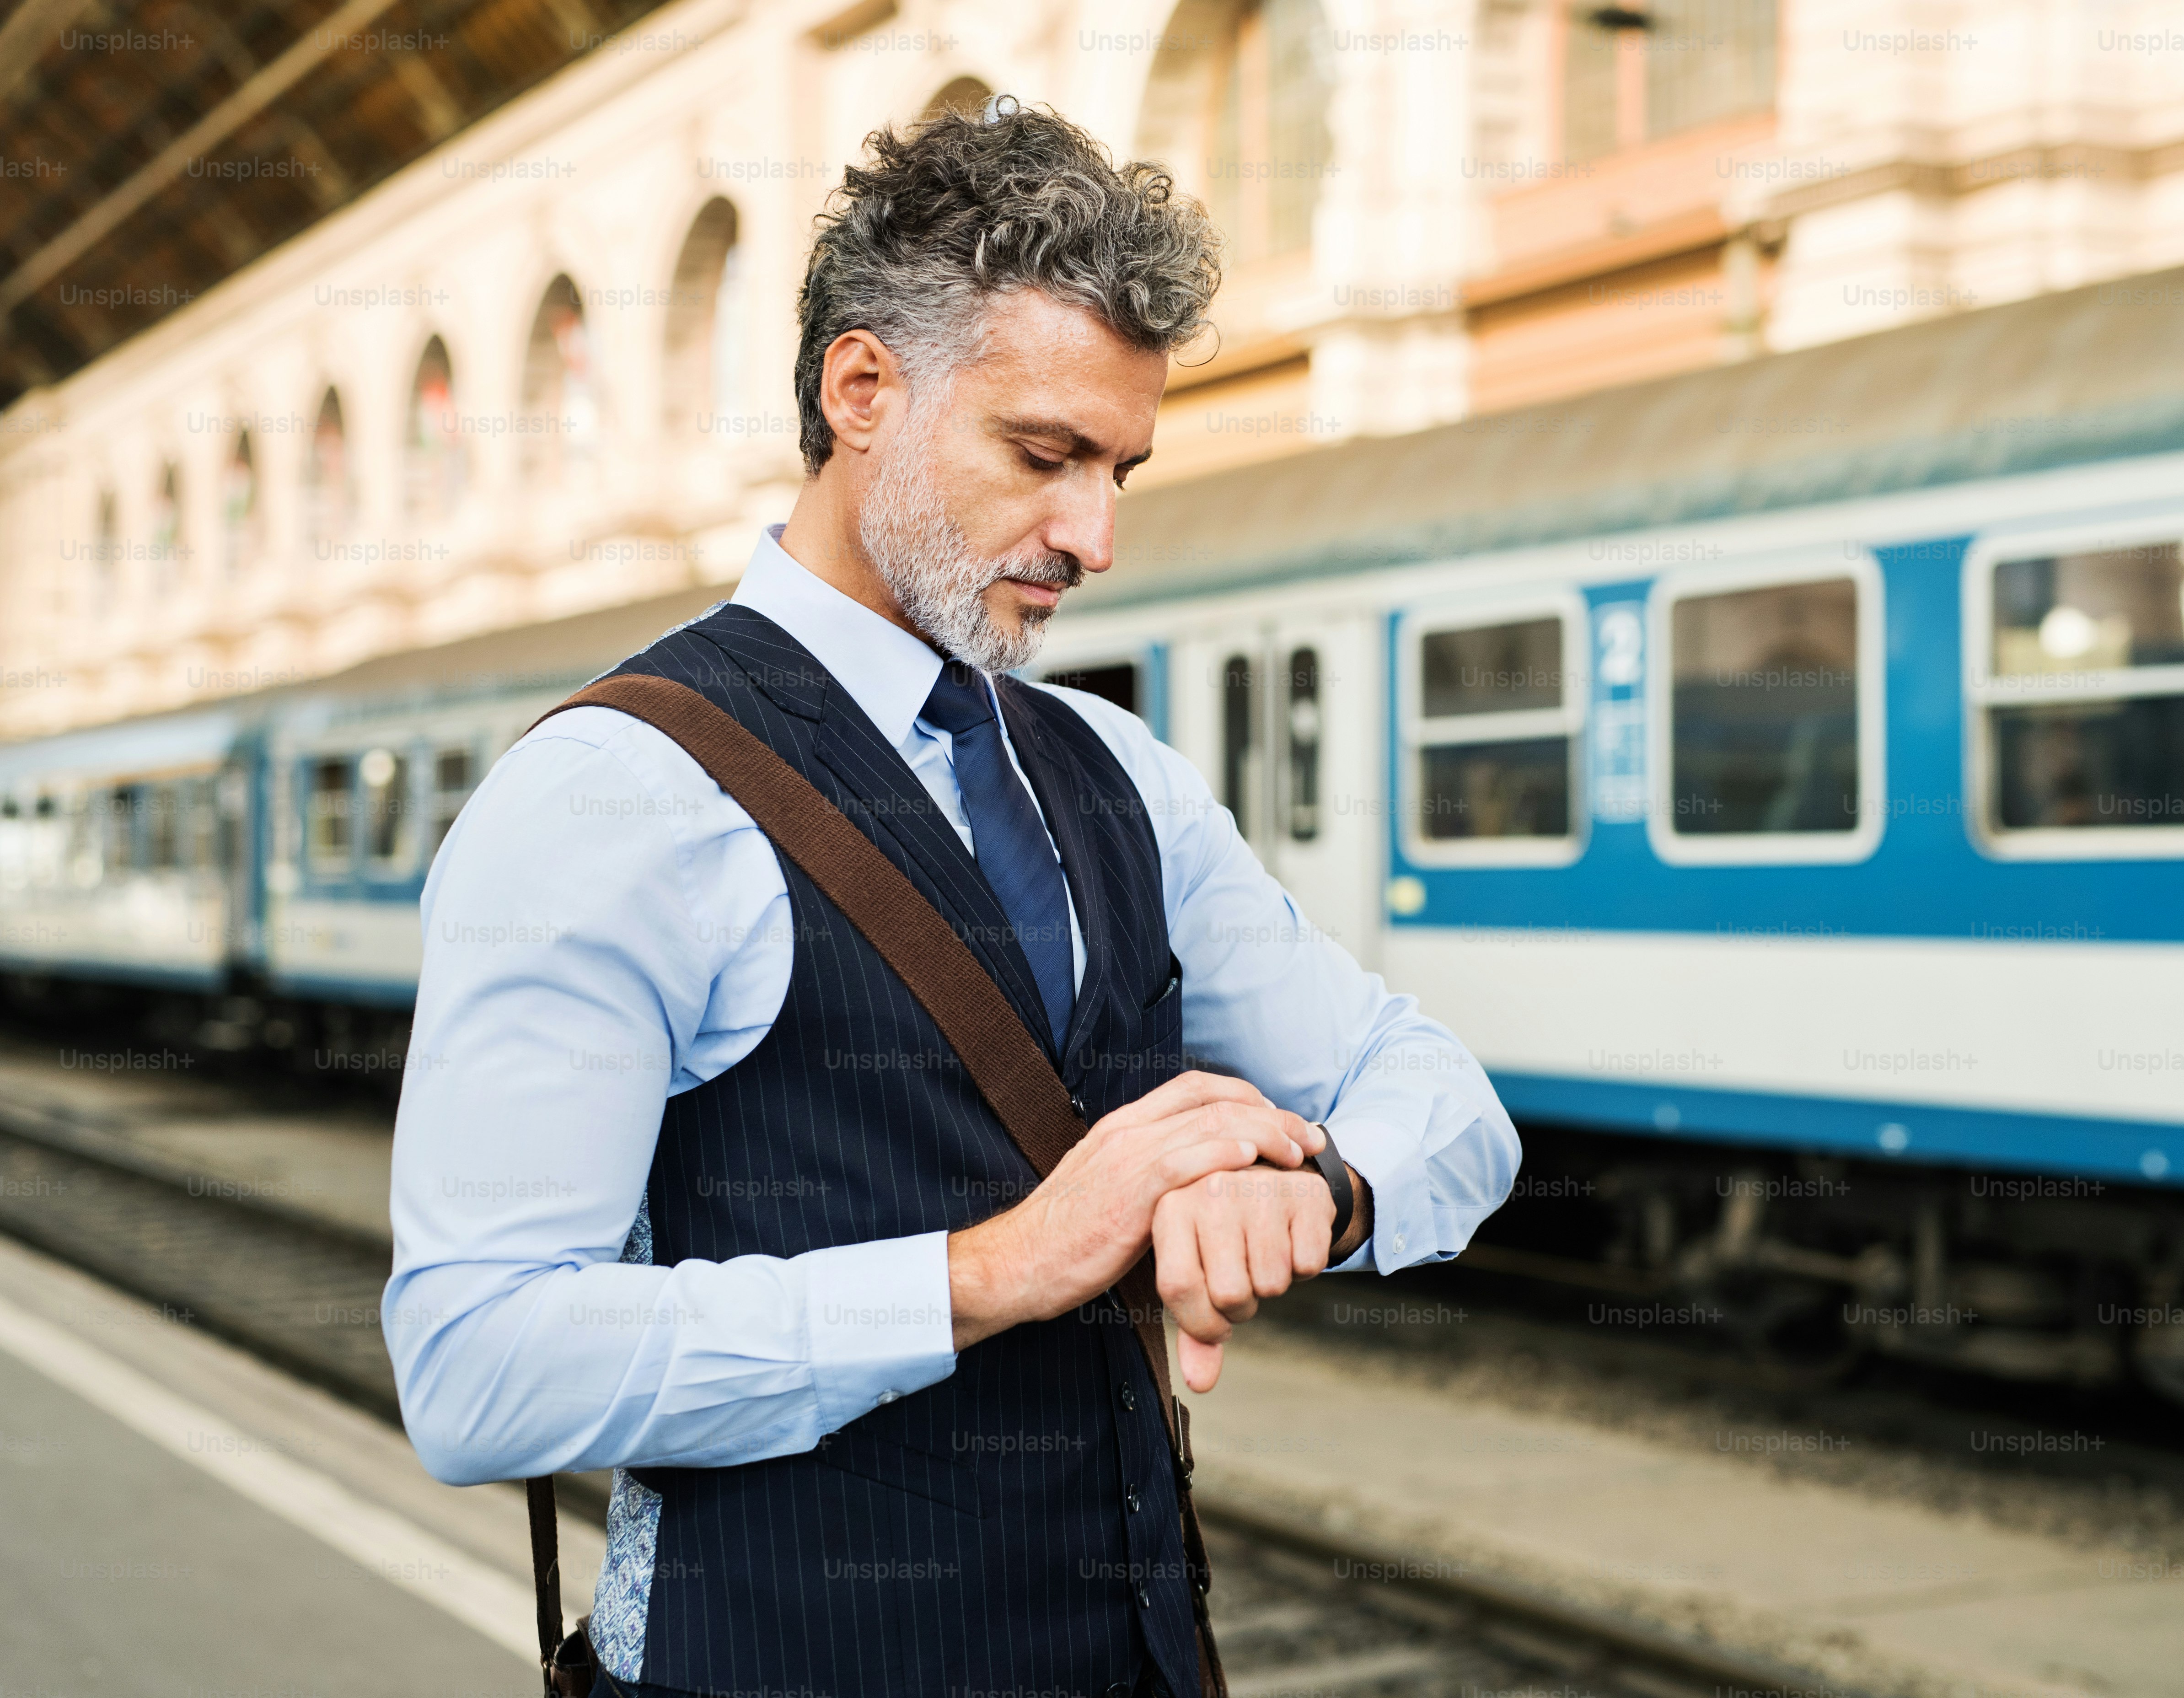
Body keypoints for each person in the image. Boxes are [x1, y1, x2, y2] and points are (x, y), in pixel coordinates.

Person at [385, 101, 1519, 1698]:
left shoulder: (1116, 769)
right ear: (863, 389)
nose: (1095, 537)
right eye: (1044, 456)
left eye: (1121, 468)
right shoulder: (614, 793)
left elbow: (1447, 1105)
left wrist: (1315, 1194)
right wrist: (996, 1269)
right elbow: (477, 1366)